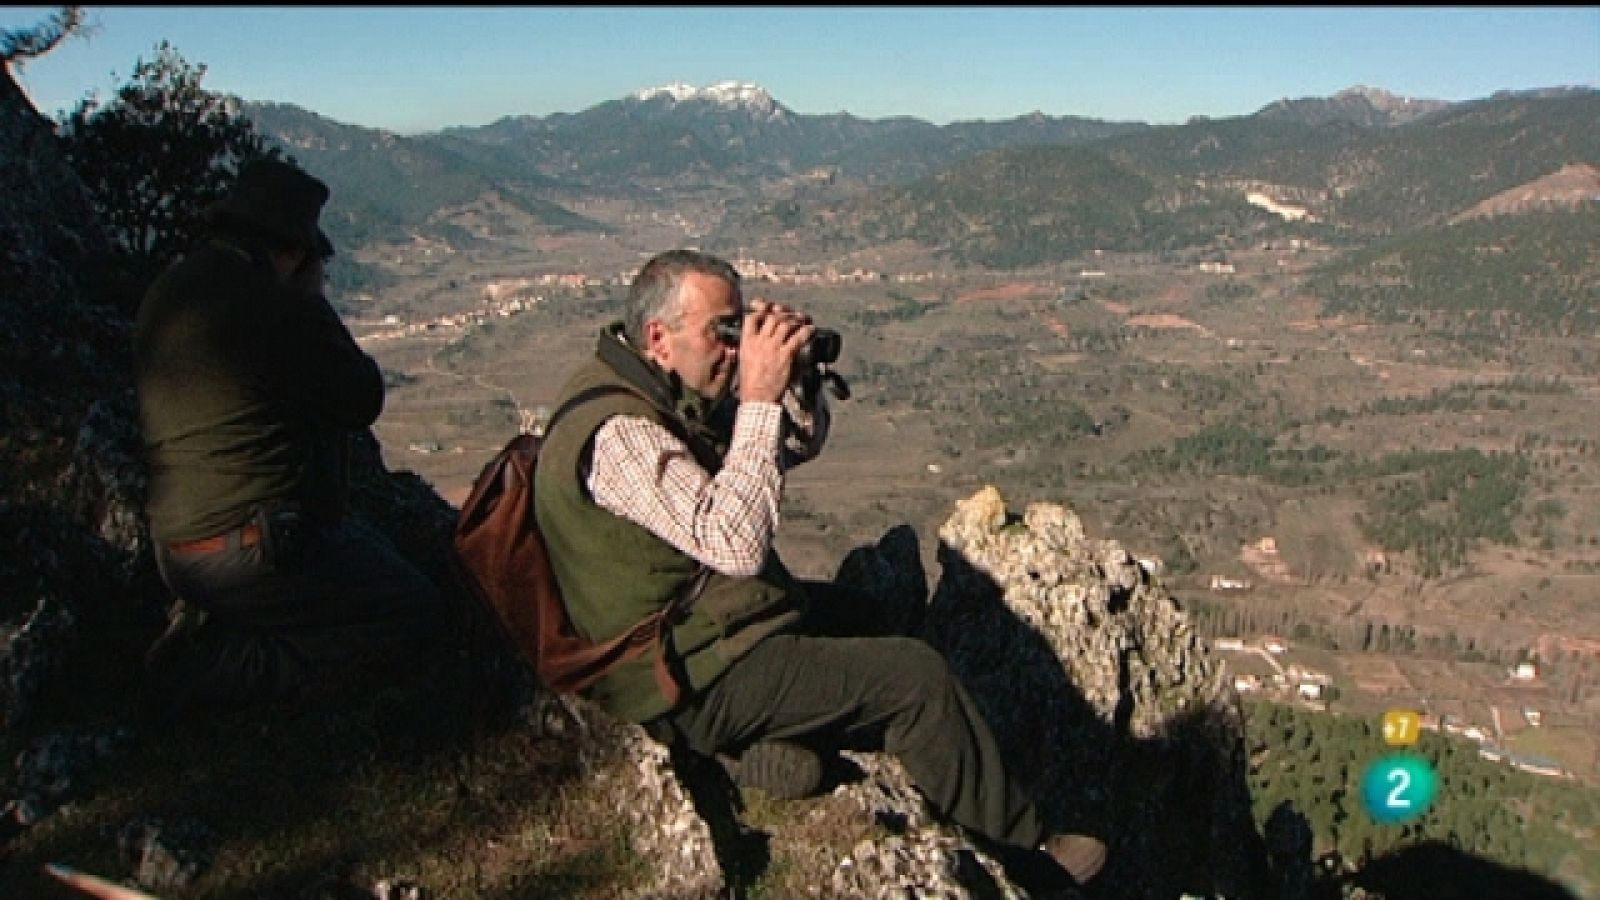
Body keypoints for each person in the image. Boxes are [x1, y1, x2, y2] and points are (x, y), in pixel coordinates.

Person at [531, 248, 1108, 886]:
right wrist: (756, 396)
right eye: (719, 333)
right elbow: (734, 541)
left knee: (873, 615)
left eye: (737, 328)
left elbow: (787, 448)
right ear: (658, 337)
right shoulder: (622, 436)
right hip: (679, 678)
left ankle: (774, 750)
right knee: (912, 677)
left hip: (707, 632)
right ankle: (1029, 850)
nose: (731, 348)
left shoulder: (659, 387)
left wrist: (794, 380)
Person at [132, 158, 451, 721]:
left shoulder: (171, 286)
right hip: (251, 551)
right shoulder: (269, 305)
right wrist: (312, 301)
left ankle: (220, 618)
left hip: (177, 549)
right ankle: (218, 668)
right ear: (290, 249)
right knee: (413, 612)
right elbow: (359, 396)